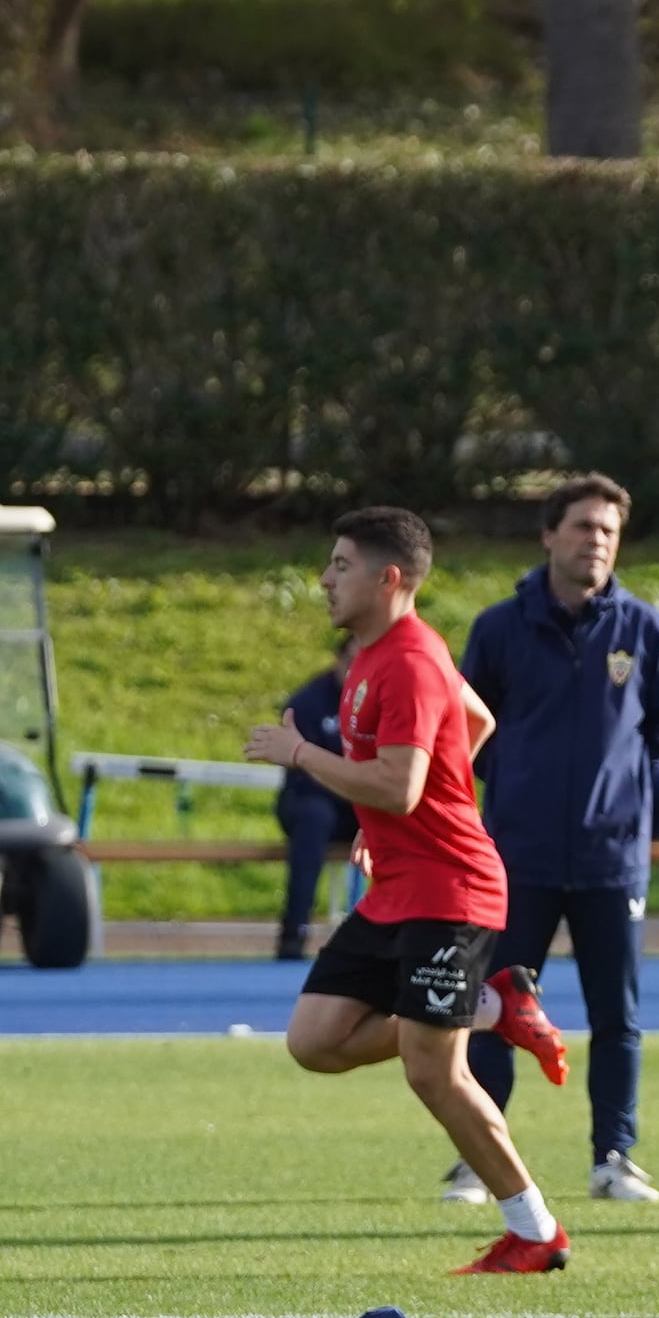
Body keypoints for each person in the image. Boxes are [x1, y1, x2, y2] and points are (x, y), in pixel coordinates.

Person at [250, 506, 578, 1277]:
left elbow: (400, 785)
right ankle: (493, 1005)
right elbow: (478, 722)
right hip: (399, 882)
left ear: (388, 577)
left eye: (340, 564)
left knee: (435, 1071)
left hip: (450, 890)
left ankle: (536, 1231)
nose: (326, 579)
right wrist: (391, 819)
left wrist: (304, 753)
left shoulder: (409, 660)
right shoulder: (374, 654)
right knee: (314, 1040)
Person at [452, 476, 659, 1209]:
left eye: (609, 531)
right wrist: (505, 799)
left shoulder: (646, 630)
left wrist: (643, 810)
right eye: (584, 526)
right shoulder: (498, 628)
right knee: (496, 1008)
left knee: (616, 1017)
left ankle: (613, 1157)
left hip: (610, 860)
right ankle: (476, 1161)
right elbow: (466, 733)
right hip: (516, 856)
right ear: (549, 535)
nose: (597, 540)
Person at [271, 644, 354, 961]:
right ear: (338, 660)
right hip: (311, 800)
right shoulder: (307, 703)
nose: (356, 669)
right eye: (351, 661)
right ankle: (294, 931)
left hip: (361, 801)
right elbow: (302, 775)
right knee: (314, 816)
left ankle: (413, 932)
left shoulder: (381, 700)